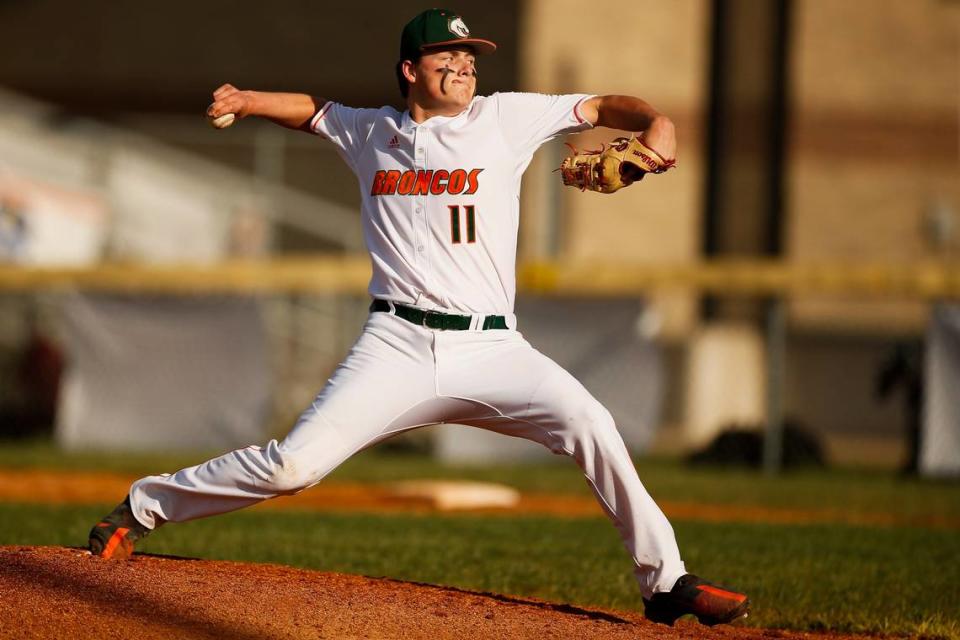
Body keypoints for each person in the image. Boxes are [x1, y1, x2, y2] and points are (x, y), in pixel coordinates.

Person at [88, 8, 749, 626]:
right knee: (293, 467)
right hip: (396, 345)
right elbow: (314, 111)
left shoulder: (504, 118)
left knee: (590, 423)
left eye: (470, 55)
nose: (464, 65)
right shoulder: (371, 130)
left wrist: (655, 122)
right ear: (410, 69)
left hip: (494, 350)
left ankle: (665, 584)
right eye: (448, 54)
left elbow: (605, 106)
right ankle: (142, 507)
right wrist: (247, 100)